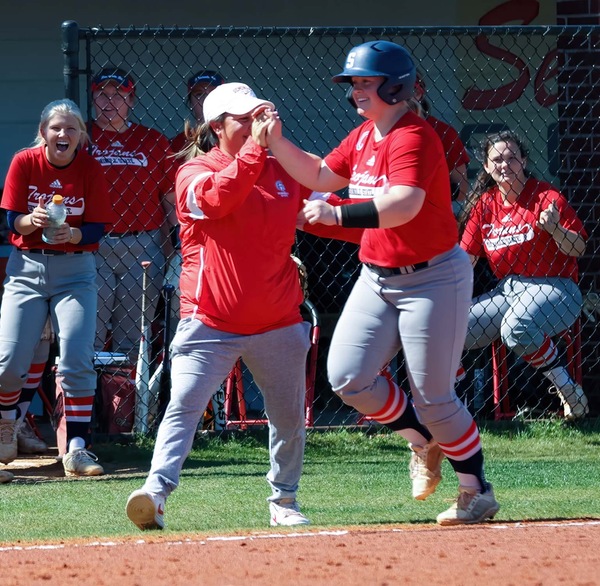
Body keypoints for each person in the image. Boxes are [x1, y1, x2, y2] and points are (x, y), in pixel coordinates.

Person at [264, 40, 500, 526]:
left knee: (435, 396)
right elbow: (320, 174)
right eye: (353, 83)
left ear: (395, 86)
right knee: (348, 377)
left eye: (364, 82)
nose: (355, 91)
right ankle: (423, 440)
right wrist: (276, 144)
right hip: (378, 276)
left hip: (433, 277)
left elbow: (404, 203)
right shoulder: (364, 135)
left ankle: (475, 489)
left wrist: (337, 213)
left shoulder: (414, 136)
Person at [125, 82, 360, 530]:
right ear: (217, 127)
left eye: (258, 114)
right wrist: (256, 151)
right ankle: (154, 494)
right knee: (184, 406)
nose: (256, 123)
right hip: (209, 321)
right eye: (244, 117)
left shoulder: (282, 170)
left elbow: (332, 214)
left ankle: (284, 501)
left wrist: (388, 226)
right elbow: (218, 199)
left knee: (288, 417)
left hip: (277, 319)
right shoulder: (194, 172)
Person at [0, 98, 114, 476]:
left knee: (77, 359)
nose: (63, 134)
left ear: (81, 135)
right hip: (27, 268)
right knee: (9, 364)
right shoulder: (25, 161)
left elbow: (98, 226)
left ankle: (77, 450)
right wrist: (29, 221)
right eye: (56, 128)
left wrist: (74, 232)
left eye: (71, 128)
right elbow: (10, 221)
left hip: (75, 270)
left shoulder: (90, 167)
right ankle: (5, 429)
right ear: (43, 132)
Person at [459, 130, 588, 420]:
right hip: (509, 290)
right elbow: (463, 261)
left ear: (524, 161)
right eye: (497, 160)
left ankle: (568, 391)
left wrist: (555, 228)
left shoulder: (546, 196)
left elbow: (579, 248)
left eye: (511, 158)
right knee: (450, 327)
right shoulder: (484, 205)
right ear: (487, 167)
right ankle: (451, 410)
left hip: (558, 289)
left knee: (515, 326)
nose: (504, 165)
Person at [90, 67, 177, 359]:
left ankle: (124, 404)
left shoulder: (153, 141)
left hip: (143, 247)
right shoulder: (80, 139)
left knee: (133, 338)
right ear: (92, 99)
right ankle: (86, 403)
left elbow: (170, 200)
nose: (110, 101)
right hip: (94, 244)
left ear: (131, 100)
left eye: (119, 94)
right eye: (102, 94)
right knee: (90, 333)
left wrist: (174, 249)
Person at [413, 71, 471, 217]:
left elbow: (461, 190)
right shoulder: (373, 131)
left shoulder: (442, 132)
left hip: (432, 219)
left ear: (418, 93)